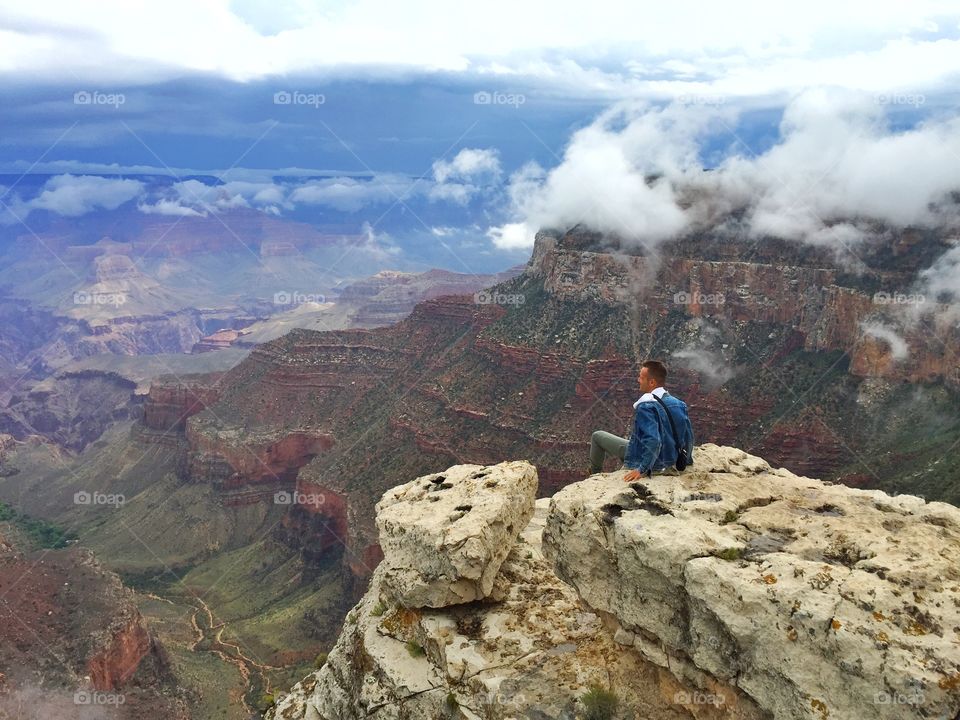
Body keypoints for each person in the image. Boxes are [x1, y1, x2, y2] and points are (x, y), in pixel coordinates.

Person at [589, 360, 694, 481]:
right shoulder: (679, 404)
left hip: (654, 463)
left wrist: (642, 469)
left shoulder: (646, 405)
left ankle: (593, 476)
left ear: (652, 382)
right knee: (631, 443)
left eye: (641, 378)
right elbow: (688, 437)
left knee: (597, 436)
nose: (638, 380)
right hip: (671, 459)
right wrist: (685, 461)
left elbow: (654, 440)